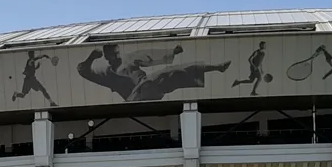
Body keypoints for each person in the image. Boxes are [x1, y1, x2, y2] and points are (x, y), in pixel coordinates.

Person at [78, 43, 230, 101]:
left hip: (148, 87)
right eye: (114, 54)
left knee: (172, 71)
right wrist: (91, 57)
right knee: (163, 74)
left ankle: (217, 68)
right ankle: (217, 68)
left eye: (118, 52)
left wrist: (172, 52)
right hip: (134, 98)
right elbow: (83, 71)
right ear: (106, 56)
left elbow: (148, 55)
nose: (117, 56)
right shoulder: (106, 74)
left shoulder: (129, 59)